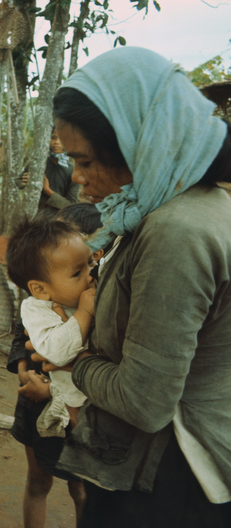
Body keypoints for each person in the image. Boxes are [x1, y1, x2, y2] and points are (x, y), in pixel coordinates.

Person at [50, 46, 231, 527]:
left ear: (138, 143)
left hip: (172, 482)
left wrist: (74, 362)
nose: (79, 179)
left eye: (85, 161)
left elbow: (144, 401)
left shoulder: (176, 231)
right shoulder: (177, 208)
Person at [6, 203, 108, 528]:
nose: (90, 276)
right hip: (41, 412)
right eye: (78, 273)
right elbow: (55, 351)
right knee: (39, 482)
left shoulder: (96, 291)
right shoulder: (37, 309)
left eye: (90, 264)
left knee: (82, 488)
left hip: (85, 413)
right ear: (39, 288)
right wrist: (86, 314)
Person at [20, 129, 81, 215]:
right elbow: (18, 181)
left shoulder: (72, 170)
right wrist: (24, 182)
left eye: (61, 139)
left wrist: (48, 191)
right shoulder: (37, 162)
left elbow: (71, 205)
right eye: (53, 138)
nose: (56, 142)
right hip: (33, 215)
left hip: (57, 218)